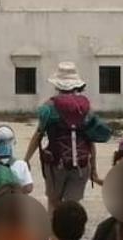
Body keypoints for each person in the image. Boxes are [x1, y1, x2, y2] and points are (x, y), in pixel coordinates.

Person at [25, 62, 104, 211]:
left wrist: (26, 159)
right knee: (71, 208)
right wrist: (93, 169)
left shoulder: (49, 107)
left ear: (57, 85)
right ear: (77, 84)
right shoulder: (86, 107)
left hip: (56, 164)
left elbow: (38, 135)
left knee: (54, 205)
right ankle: (69, 233)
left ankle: (53, 234)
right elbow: (91, 141)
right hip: (81, 165)